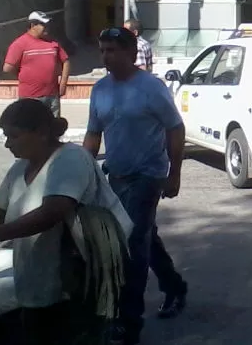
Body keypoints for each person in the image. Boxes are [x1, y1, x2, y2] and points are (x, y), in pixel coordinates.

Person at [0, 98, 128, 345]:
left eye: (13, 136)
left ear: (42, 133)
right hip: (37, 276)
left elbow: (50, 214)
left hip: (75, 279)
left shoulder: (70, 159)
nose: (7, 144)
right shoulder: (20, 168)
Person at [83, 27, 188, 345]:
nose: (106, 57)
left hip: (147, 176)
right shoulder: (99, 89)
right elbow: (93, 134)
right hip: (116, 176)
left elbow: (175, 128)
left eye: (113, 50)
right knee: (144, 236)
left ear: (132, 53)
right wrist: (79, 171)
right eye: (103, 50)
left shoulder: (151, 88)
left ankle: (128, 322)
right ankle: (174, 286)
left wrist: (174, 174)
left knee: (131, 244)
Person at [3, 11, 70, 118]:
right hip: (30, 98)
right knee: (30, 130)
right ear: (33, 25)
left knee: (53, 129)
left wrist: (63, 84)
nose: (47, 27)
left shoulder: (53, 43)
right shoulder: (20, 44)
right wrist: (23, 76)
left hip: (52, 97)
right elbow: (8, 68)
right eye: (43, 24)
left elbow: (66, 61)